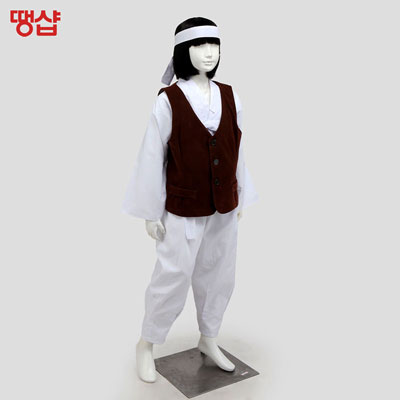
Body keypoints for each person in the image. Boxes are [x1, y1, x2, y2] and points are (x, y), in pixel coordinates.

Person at [122, 17, 258, 383]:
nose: (209, 53)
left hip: (224, 205)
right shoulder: (168, 101)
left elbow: (236, 147)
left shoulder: (230, 95)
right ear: (184, 50)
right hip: (183, 206)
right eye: (200, 45)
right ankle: (146, 344)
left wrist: (240, 193)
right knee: (172, 275)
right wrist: (151, 211)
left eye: (215, 45)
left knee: (220, 274)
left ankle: (209, 337)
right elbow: (152, 156)